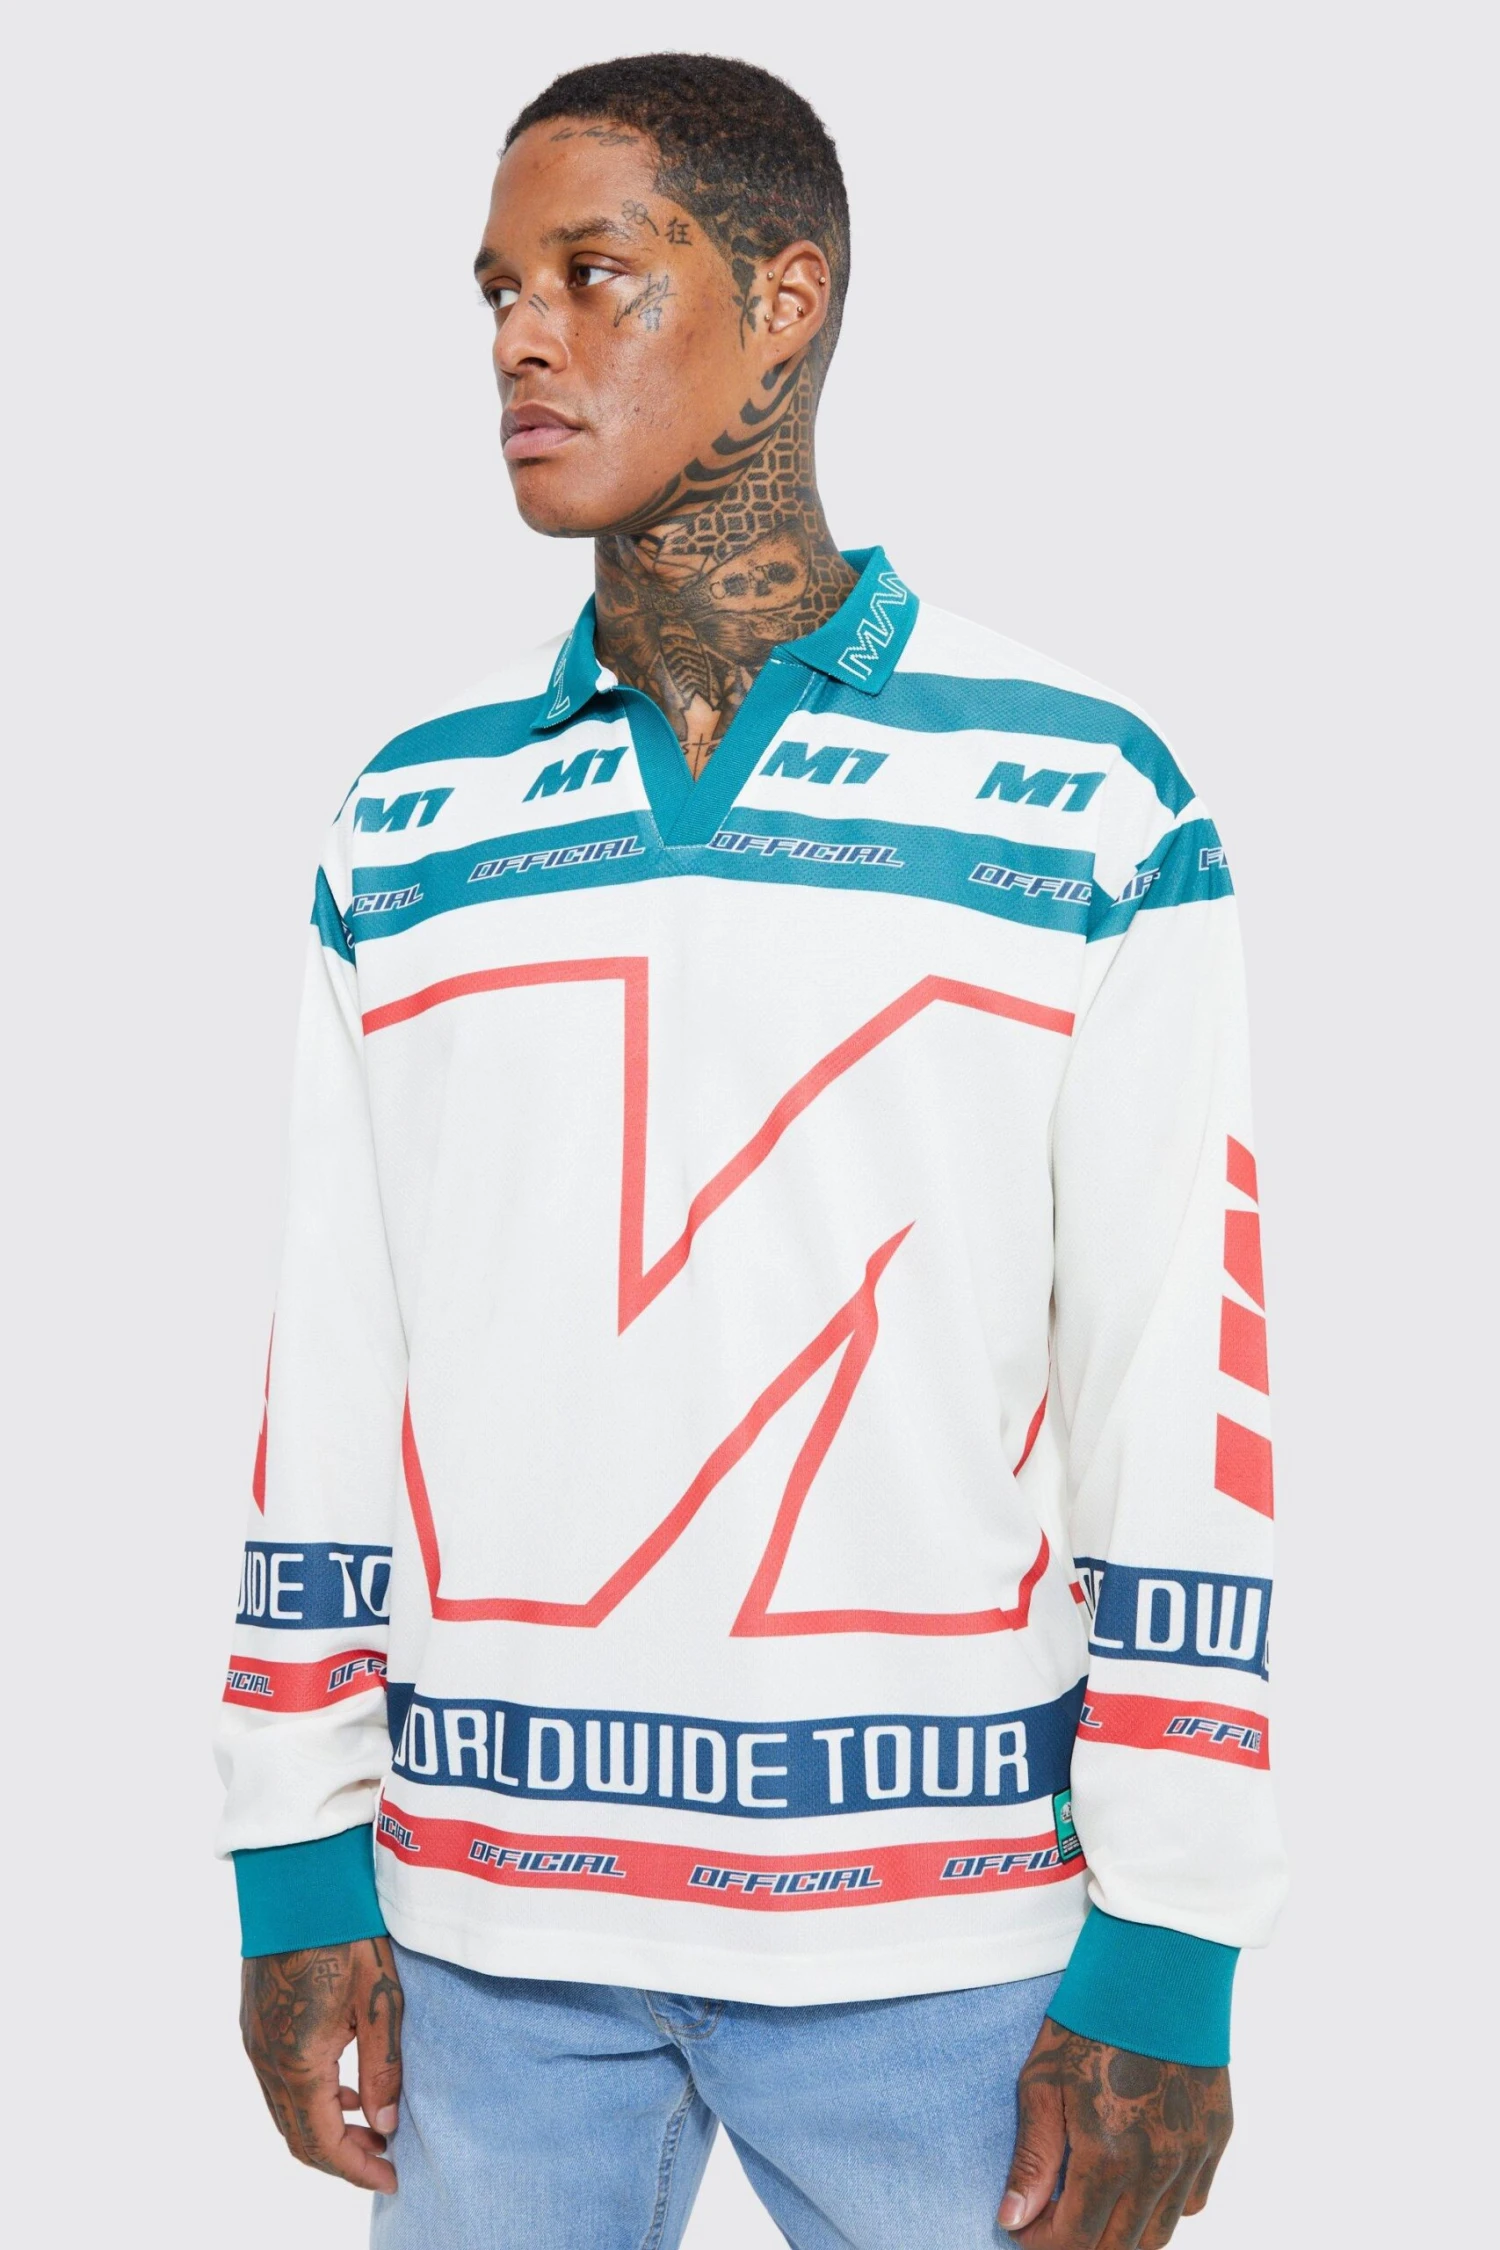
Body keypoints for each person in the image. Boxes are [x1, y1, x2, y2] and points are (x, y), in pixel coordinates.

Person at [218, 52, 1286, 2250]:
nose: (522, 338)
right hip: (483, 1931)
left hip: (951, 1936)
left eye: (595, 274)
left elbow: (1179, 1387)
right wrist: (295, 1856)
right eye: (498, 289)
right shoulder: (409, 826)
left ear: (784, 301)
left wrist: (1176, 1938)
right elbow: (329, 1367)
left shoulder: (1085, 798)